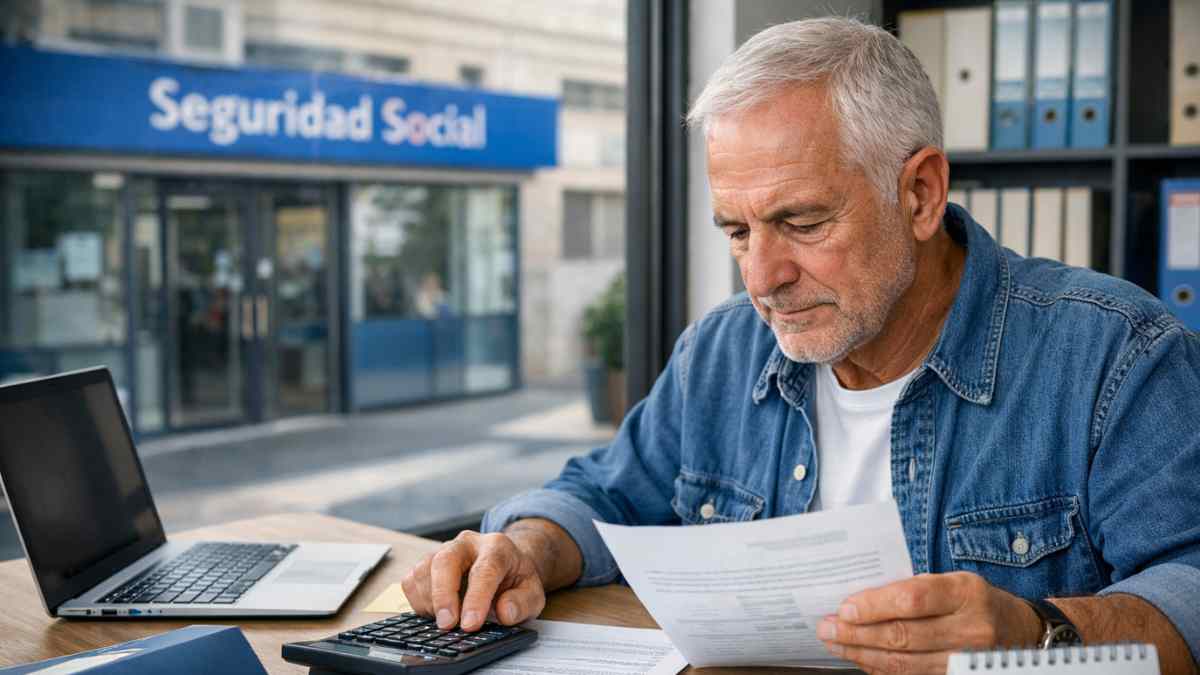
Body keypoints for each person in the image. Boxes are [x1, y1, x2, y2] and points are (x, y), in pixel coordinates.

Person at [401, 17, 1200, 674]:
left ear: (920, 193)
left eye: (802, 223)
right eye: (737, 231)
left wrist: (1037, 636)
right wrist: (525, 550)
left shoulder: (1114, 356)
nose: (763, 277)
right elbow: (606, 494)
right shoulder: (724, 350)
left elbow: (1192, 591)